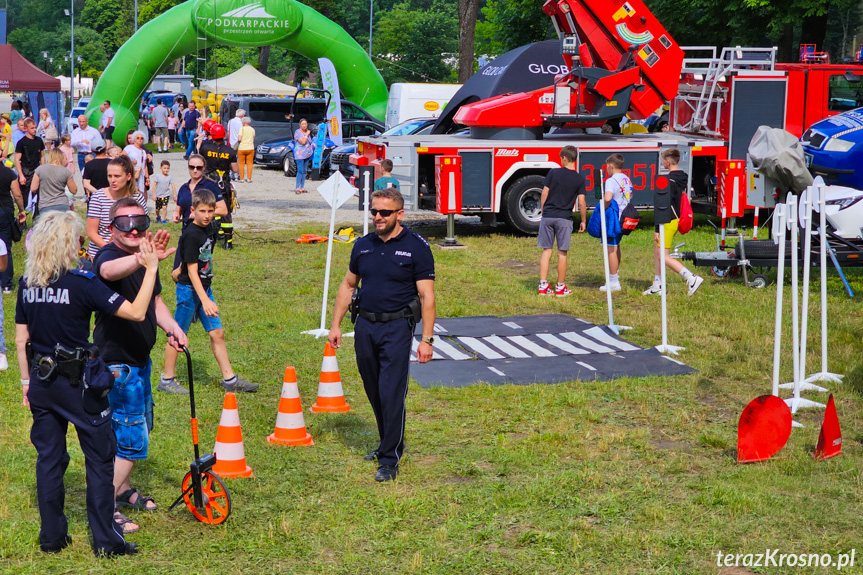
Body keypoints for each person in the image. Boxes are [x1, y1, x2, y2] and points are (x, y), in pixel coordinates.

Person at [15, 210, 158, 557]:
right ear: (70, 244)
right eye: (78, 239)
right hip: (79, 384)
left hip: (42, 380)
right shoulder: (82, 282)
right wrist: (151, 268)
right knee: (99, 459)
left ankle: (52, 537)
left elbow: (22, 339)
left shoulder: (27, 283)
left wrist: (25, 383)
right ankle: (106, 541)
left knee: (49, 459)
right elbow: (137, 313)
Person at [92, 198, 187, 534]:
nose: (133, 228)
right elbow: (106, 272)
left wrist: (173, 328)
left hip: (140, 362)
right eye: (124, 223)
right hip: (119, 367)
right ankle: (104, 507)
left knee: (134, 428)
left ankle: (123, 490)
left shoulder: (145, 261)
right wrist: (143, 259)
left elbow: (156, 301)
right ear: (110, 228)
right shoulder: (107, 256)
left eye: (140, 222)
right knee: (131, 438)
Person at [328, 188, 436, 482]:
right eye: (374, 211)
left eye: (384, 213)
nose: (377, 217)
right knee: (374, 389)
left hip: (397, 328)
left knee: (391, 393)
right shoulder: (362, 245)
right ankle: (386, 441)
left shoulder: (416, 247)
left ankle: (390, 459)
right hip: (365, 326)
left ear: (399, 214)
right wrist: (335, 324)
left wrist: (426, 340)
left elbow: (427, 297)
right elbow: (348, 286)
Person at [159, 189, 258, 394]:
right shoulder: (191, 234)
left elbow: (199, 255)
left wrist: (180, 267)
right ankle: (167, 379)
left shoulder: (211, 228)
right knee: (178, 334)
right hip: (189, 291)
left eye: (210, 211)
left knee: (217, 333)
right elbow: (193, 272)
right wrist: (204, 300)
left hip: (204, 288)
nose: (206, 215)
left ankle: (229, 380)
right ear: (192, 211)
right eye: (202, 211)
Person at [644, 148, 704, 296]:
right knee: (657, 250)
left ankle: (691, 278)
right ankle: (658, 284)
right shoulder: (681, 178)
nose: (662, 163)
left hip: (668, 221)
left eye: (663, 160)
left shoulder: (666, 181)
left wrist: (657, 229)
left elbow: (662, 206)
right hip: (676, 219)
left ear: (668, 162)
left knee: (663, 256)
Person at [537, 145, 587, 297]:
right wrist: (583, 220)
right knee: (562, 253)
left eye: (561, 158)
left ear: (564, 158)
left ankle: (543, 286)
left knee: (547, 251)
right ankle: (560, 287)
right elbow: (582, 202)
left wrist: (543, 210)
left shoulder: (553, 173)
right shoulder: (579, 178)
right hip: (564, 218)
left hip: (549, 216)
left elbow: (544, 193)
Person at [87, 156, 148, 258]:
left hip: (130, 255)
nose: (112, 180)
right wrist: (111, 251)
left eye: (117, 176)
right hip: (101, 254)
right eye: (109, 176)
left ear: (128, 176)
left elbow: (144, 229)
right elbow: (91, 233)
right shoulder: (98, 197)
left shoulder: (137, 197)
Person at [199, 123, 238, 249]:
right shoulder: (230, 151)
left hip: (209, 183)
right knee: (225, 212)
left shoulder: (205, 148)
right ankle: (228, 242)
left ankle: (211, 237)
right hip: (224, 184)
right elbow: (235, 169)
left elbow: (200, 162)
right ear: (224, 135)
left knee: (209, 209)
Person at [599, 154, 633, 293]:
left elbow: (608, 197)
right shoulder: (627, 179)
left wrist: (603, 206)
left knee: (611, 249)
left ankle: (613, 282)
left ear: (611, 166)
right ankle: (615, 275)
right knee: (616, 247)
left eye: (607, 167)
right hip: (624, 217)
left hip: (614, 218)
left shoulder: (611, 180)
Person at [172, 154, 227, 225]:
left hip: (205, 231)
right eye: (192, 167)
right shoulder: (183, 188)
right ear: (188, 167)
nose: (195, 170)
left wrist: (200, 215)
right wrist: (176, 215)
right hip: (187, 231)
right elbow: (178, 210)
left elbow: (223, 210)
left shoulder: (211, 186)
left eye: (199, 168)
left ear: (204, 168)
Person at [0, 160, 26, 293]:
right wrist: (21, 210)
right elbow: (17, 194)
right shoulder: (8, 172)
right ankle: (6, 284)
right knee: (5, 247)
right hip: (4, 211)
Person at [30, 149, 77, 216]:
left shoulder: (40, 169)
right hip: (62, 204)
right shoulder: (66, 171)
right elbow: (74, 190)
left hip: (46, 205)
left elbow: (33, 188)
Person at [14, 118, 46, 205]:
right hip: (26, 171)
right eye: (32, 128)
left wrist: (43, 169)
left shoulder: (39, 140)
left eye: (35, 127)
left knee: (38, 194)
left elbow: (42, 156)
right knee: (25, 195)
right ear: (26, 129)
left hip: (37, 169)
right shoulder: (21, 142)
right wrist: (21, 175)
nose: (35, 130)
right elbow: (17, 159)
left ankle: (36, 214)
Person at [123, 131, 148, 200]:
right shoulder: (129, 148)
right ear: (134, 139)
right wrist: (130, 161)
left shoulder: (143, 151)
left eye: (141, 138)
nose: (139, 139)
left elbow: (145, 165)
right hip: (131, 172)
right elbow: (122, 158)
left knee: (140, 193)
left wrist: (147, 177)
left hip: (141, 174)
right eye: (137, 138)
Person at [292, 118, 313, 194]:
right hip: (300, 154)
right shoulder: (297, 132)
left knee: (304, 171)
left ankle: (302, 187)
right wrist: (307, 135)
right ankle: (297, 187)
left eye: (305, 124)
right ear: (300, 125)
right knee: (300, 170)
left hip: (307, 154)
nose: (304, 125)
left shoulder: (307, 132)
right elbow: (303, 142)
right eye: (303, 124)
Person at [236, 117, 255, 183]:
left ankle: (242, 179)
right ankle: (249, 178)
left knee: (241, 164)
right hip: (250, 147)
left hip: (242, 148)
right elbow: (253, 137)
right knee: (250, 164)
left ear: (243, 123)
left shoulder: (242, 129)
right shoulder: (252, 129)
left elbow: (239, 139)